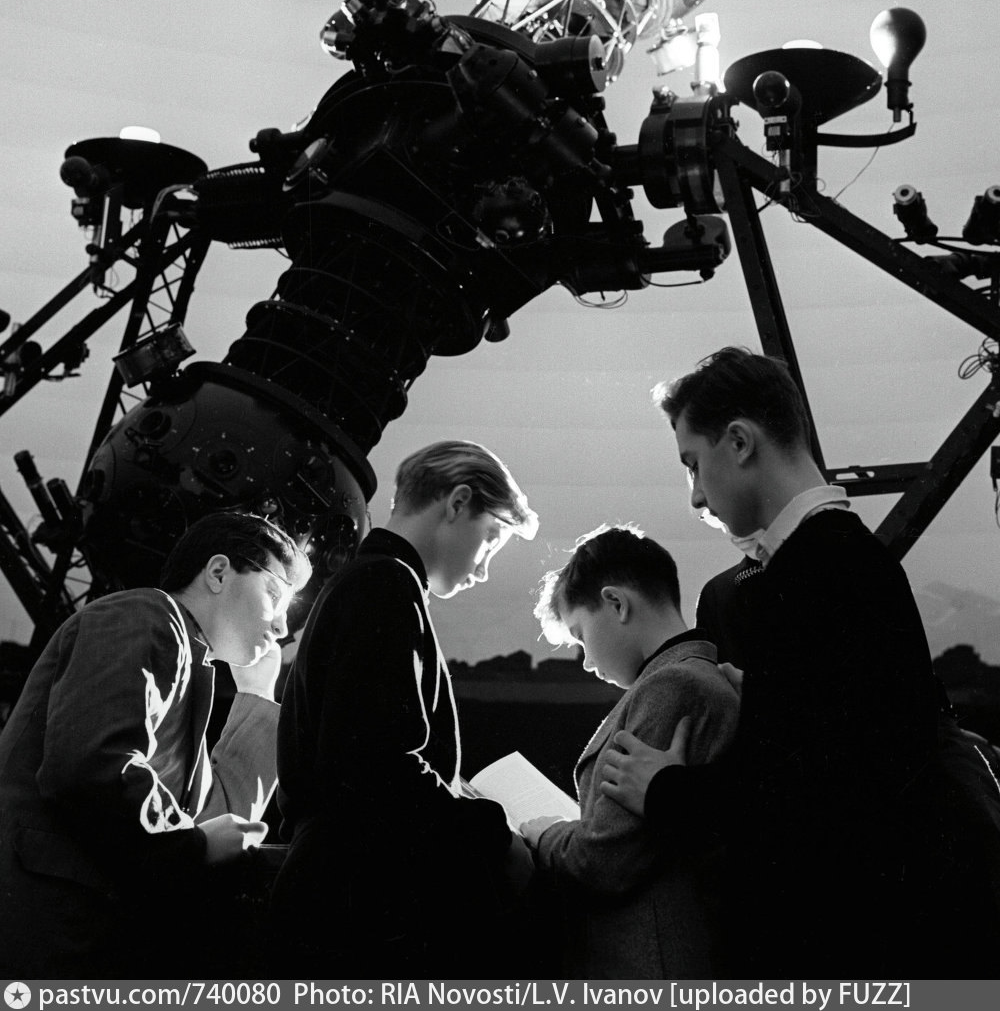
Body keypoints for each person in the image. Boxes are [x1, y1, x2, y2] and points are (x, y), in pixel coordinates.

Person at [600, 346, 994, 973]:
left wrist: (668, 790)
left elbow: (814, 802)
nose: (696, 496)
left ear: (739, 442)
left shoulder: (818, 573)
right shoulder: (840, 561)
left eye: (693, 464)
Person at [0, 510, 310, 978]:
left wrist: (258, 697)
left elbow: (215, 824)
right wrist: (193, 845)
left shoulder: (188, 665)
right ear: (218, 573)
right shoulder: (145, 613)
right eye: (275, 594)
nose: (283, 627)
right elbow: (91, 768)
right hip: (48, 936)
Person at [272, 439, 539, 974]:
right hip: (360, 911)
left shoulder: (371, 583)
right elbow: (376, 766)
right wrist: (498, 838)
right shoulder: (384, 585)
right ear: (457, 502)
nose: (484, 569)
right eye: (491, 539)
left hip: (337, 896)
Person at [521, 524, 739, 977]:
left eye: (581, 636)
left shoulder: (673, 686)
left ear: (616, 604)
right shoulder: (685, 679)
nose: (586, 661)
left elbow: (602, 861)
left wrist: (546, 833)